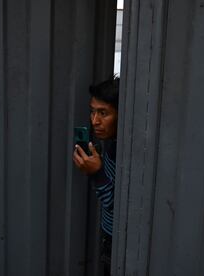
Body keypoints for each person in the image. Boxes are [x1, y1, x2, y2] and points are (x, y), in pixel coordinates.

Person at [72, 76, 119, 275]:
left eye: (103, 113)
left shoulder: (126, 151)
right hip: (108, 235)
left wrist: (97, 174)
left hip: (118, 240)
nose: (94, 121)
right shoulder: (111, 143)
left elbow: (120, 208)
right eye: (92, 112)